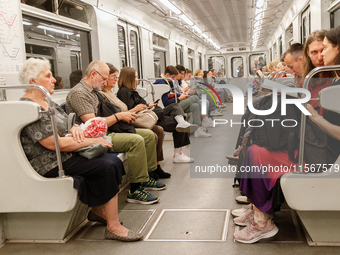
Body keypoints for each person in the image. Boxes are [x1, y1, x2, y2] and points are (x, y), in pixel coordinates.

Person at [18, 58, 142, 242]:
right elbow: (53, 144)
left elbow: (70, 123)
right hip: (51, 162)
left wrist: (75, 128)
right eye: (48, 76)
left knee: (112, 162)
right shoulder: (29, 108)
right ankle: (113, 227)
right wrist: (91, 140)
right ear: (33, 81)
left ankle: (98, 211)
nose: (54, 80)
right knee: (108, 165)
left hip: (65, 155)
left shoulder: (48, 102)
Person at [66, 60, 165, 205]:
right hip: (92, 138)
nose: (105, 83)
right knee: (136, 141)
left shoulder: (94, 92)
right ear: (93, 74)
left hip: (106, 130)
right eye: (104, 79)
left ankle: (147, 176)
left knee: (149, 135)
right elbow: (93, 125)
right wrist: (119, 116)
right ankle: (135, 190)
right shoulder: (79, 94)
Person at [100, 63, 170, 179]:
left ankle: (154, 167)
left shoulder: (111, 93)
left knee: (159, 129)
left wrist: (143, 107)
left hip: (127, 120)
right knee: (152, 134)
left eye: (116, 77)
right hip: (122, 125)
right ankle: (147, 172)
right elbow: (118, 114)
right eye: (112, 77)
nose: (115, 80)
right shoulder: (110, 94)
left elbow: (123, 110)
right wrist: (137, 109)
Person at [117, 66, 197, 163]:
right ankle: (178, 153)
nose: (137, 79)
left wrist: (149, 105)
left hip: (150, 113)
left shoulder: (131, 91)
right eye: (135, 77)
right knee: (177, 123)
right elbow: (133, 108)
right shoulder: (124, 92)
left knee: (175, 106)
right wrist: (147, 106)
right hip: (145, 117)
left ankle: (181, 121)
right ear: (128, 78)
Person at [301, 30, 331, 115]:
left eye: (323, 50)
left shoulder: (335, 80)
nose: (320, 58)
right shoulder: (306, 79)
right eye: (314, 52)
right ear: (308, 53)